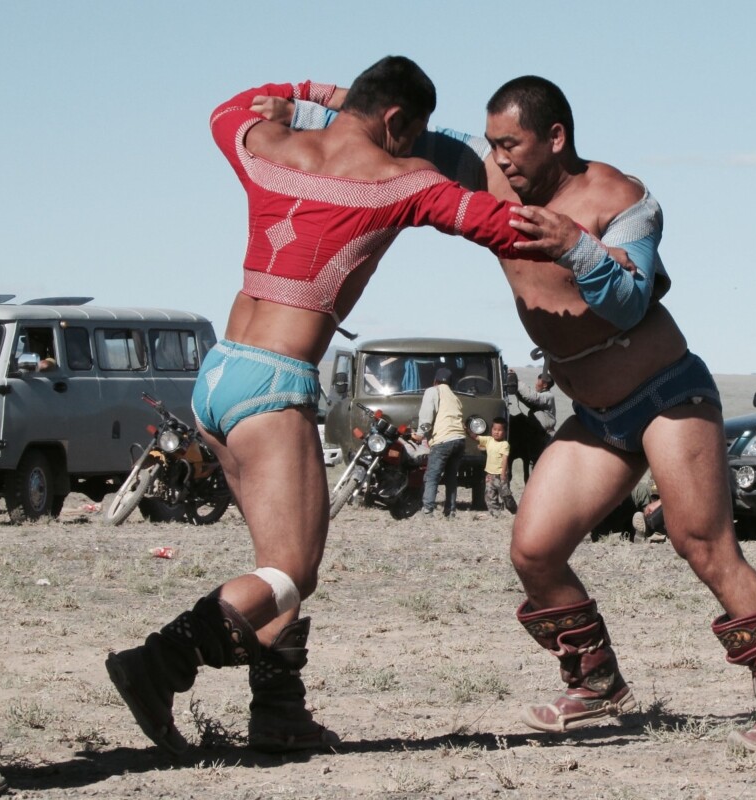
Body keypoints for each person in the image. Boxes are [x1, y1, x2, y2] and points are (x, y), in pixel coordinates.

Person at [282, 75, 756, 753]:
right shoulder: (485, 175)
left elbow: (628, 299)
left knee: (702, 543)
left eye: (512, 144)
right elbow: (395, 125)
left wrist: (574, 243)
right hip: (594, 414)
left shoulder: (621, 199)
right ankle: (596, 682)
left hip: (664, 395)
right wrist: (304, 102)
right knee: (535, 550)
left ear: (556, 138)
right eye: (494, 144)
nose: (500, 158)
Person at [104, 57, 571, 758]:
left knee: (272, 565)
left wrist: (309, 98)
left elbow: (230, 106)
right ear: (397, 122)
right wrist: (585, 244)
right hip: (274, 382)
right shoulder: (402, 179)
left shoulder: (264, 147)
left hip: (221, 371)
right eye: (412, 133)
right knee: (293, 571)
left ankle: (280, 717)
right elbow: (501, 224)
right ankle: (158, 664)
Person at [417, 367, 467, 517]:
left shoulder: (433, 391)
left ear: (435, 381)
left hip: (443, 439)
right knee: (452, 476)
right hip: (459, 439)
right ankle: (450, 510)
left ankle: (427, 509)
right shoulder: (454, 397)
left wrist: (420, 434)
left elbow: (427, 415)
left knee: (432, 475)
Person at [469, 416, 517, 517]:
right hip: (490, 474)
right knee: (489, 495)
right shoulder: (489, 440)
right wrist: (468, 430)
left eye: (499, 430)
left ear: (504, 432)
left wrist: (504, 473)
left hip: (500, 475)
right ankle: (496, 513)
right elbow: (476, 437)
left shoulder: (504, 444)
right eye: (494, 429)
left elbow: (504, 459)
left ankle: (514, 509)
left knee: (505, 495)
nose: (496, 432)